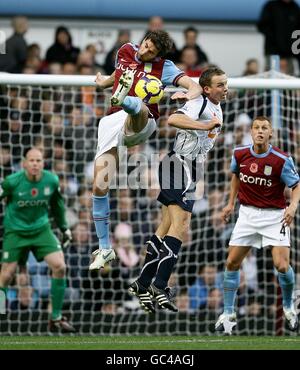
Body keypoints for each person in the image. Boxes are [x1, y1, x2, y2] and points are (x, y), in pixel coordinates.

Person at [88, 30, 202, 271]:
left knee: (138, 107)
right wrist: (104, 83)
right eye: (148, 45)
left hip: (144, 121)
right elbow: (117, 74)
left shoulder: (165, 67)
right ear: (144, 40)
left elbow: (194, 86)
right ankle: (105, 248)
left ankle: (125, 101)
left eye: (153, 51)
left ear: (159, 55)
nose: (148, 51)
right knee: (99, 185)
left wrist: (186, 94)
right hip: (111, 123)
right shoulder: (125, 50)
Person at [128, 67, 228, 313]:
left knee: (166, 227)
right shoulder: (200, 103)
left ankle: (142, 283)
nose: (225, 88)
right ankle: (159, 285)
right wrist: (204, 126)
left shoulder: (214, 105)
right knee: (181, 226)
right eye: (220, 85)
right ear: (206, 88)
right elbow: (173, 119)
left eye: (226, 84)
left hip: (191, 170)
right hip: (179, 164)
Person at [215, 116, 300, 334]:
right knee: (232, 262)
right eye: (256, 128)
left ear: (270, 133)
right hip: (247, 215)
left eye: (264, 128)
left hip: (275, 217)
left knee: (281, 265)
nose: (260, 131)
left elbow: (297, 185)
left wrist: (292, 208)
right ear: (251, 132)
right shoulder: (239, 153)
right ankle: (228, 312)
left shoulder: (281, 159)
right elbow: (236, 176)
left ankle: (289, 307)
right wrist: (229, 204)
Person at [0, 148, 75, 332]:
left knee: (60, 266)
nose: (35, 164)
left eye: (38, 160)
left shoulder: (51, 180)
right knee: (6, 275)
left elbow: (57, 206)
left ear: (43, 163)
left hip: (41, 230)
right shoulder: (11, 182)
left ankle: (55, 317)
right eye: (31, 160)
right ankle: (1, 312)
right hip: (15, 232)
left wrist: (64, 228)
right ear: (24, 163)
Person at [256, 0, 300, 75]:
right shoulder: (271, 6)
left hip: (290, 55)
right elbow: (263, 27)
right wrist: (280, 55)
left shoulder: (295, 8)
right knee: (271, 79)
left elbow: (297, 32)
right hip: (273, 54)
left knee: (289, 80)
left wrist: (295, 53)